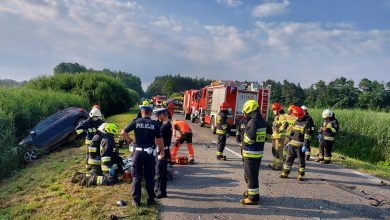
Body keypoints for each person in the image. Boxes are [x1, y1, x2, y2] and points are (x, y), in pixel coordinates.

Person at [121, 104, 164, 207]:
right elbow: (159, 140)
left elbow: (123, 132)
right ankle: (150, 200)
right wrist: (162, 151)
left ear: (141, 112)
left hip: (137, 153)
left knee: (136, 177)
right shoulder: (155, 124)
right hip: (149, 154)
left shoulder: (136, 122)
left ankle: (136, 201)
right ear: (150, 113)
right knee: (149, 177)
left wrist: (130, 141)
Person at [240, 100, 272, 205]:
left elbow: (250, 138)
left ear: (249, 109)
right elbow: (269, 130)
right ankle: (251, 192)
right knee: (253, 174)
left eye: (245, 111)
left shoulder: (252, 122)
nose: (245, 114)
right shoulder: (262, 121)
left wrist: (244, 141)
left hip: (250, 153)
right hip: (258, 152)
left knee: (250, 175)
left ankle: (253, 198)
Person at [280, 107, 311, 181]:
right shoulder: (296, 121)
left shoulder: (307, 123)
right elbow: (292, 132)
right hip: (291, 145)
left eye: (296, 115)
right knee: (288, 160)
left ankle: (301, 175)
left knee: (301, 162)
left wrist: (305, 145)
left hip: (300, 147)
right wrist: (288, 141)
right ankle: (285, 173)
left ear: (299, 115)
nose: (295, 116)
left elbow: (307, 136)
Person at [153, 108, 172, 199]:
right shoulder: (166, 124)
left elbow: (157, 139)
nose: (157, 118)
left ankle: (161, 191)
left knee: (160, 173)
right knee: (161, 172)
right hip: (164, 150)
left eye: (157, 116)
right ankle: (160, 190)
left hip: (162, 151)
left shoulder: (164, 126)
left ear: (162, 115)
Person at [270, 102, 287, 170]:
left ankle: (279, 166)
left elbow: (285, 124)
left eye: (274, 110)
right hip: (275, 137)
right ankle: (275, 164)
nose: (273, 111)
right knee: (274, 151)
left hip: (279, 138)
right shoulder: (276, 117)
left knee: (278, 152)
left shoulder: (282, 116)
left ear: (277, 110)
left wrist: (279, 130)